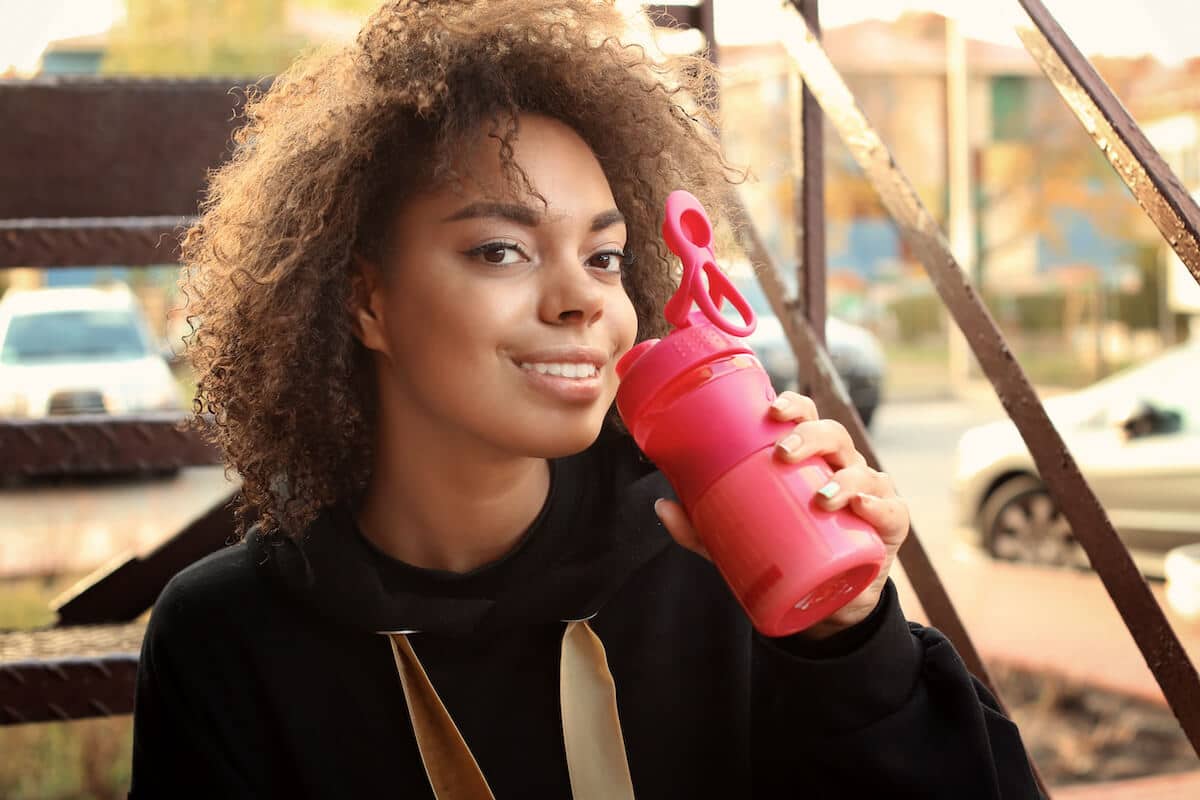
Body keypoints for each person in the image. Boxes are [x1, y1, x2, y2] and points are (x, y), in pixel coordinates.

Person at [129, 1, 1042, 797]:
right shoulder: (228, 640)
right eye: (500, 249)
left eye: (604, 257)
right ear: (367, 299)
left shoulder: (720, 558)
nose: (583, 300)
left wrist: (849, 645)